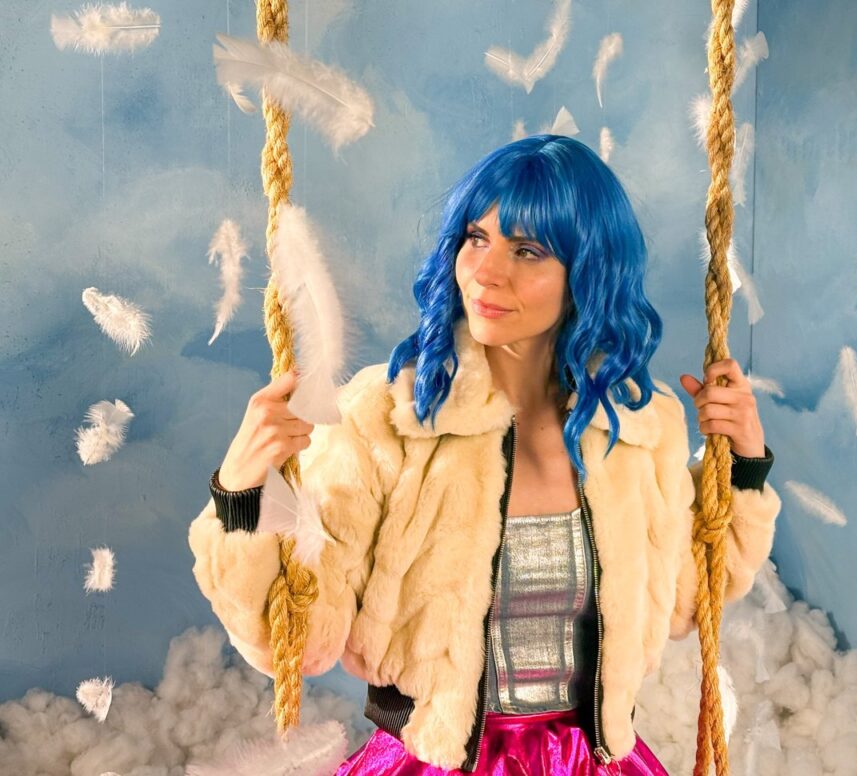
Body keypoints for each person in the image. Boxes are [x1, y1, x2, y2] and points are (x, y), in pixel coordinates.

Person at [188, 134, 781, 774]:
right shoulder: (387, 419)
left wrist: (743, 464)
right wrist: (240, 496)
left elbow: (688, 601)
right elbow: (299, 640)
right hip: (432, 761)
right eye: (476, 238)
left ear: (589, 272)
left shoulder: (638, 427)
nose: (485, 272)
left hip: (594, 761)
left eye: (526, 250)